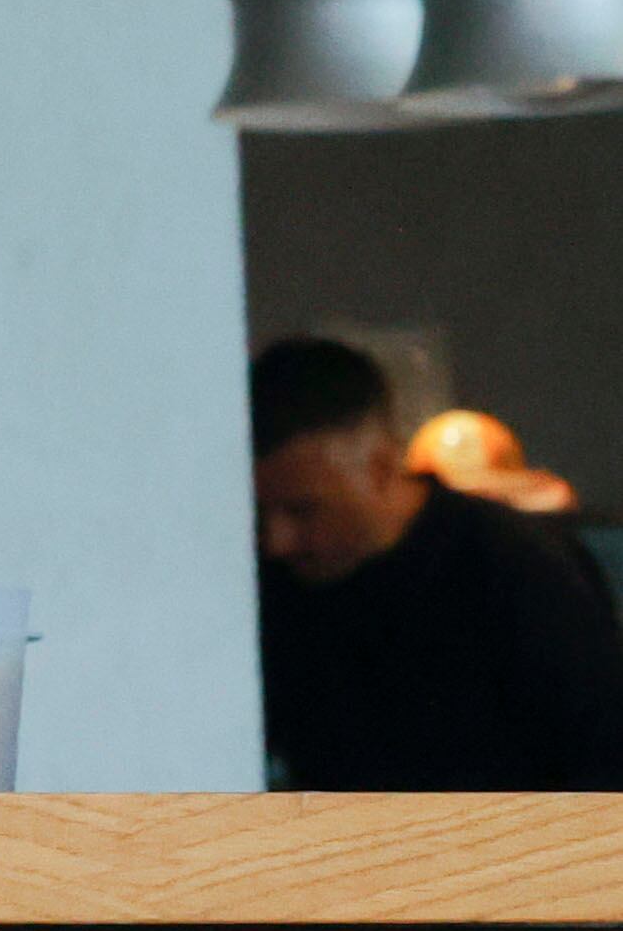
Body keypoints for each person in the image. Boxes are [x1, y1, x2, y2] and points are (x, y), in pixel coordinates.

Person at [252, 337, 623, 792]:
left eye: (303, 510)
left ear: (381, 467)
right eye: (257, 513)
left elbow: (604, 760)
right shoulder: (270, 586)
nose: (276, 541)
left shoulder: (518, 568)